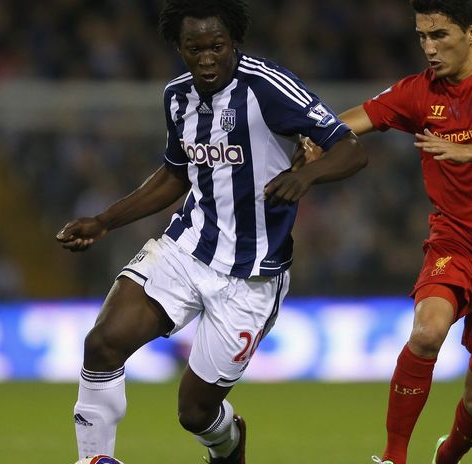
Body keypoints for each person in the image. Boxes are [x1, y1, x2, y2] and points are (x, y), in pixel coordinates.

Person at [55, 1, 366, 462]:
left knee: (196, 413)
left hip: (252, 276)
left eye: (216, 47)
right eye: (193, 48)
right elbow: (175, 174)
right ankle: (94, 458)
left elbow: (350, 148)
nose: (205, 59)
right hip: (187, 248)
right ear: (178, 48)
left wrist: (306, 177)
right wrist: (105, 220)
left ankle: (229, 440)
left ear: (233, 42)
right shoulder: (176, 97)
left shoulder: (267, 87)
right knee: (102, 343)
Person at [303, 1, 472, 462]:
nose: (429, 48)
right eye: (422, 36)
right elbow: (361, 116)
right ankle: (393, 456)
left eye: (439, 35)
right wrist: (319, 139)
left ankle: (447, 455)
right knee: (426, 332)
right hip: (455, 242)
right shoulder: (419, 92)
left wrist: (469, 151)